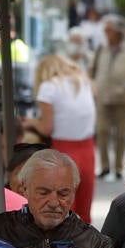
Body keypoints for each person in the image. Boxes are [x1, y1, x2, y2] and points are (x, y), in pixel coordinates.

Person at [23, 54, 97, 221]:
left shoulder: (48, 87)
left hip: (64, 149)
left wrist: (32, 122)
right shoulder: (83, 82)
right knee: (84, 208)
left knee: (62, 208)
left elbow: (47, 128)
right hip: (88, 148)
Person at [90, 17, 125, 182]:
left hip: (123, 98)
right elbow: (91, 71)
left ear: (118, 32)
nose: (106, 34)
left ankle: (119, 167)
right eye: (105, 30)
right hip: (102, 96)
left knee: (121, 135)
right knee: (102, 131)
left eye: (109, 30)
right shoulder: (102, 49)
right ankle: (105, 166)